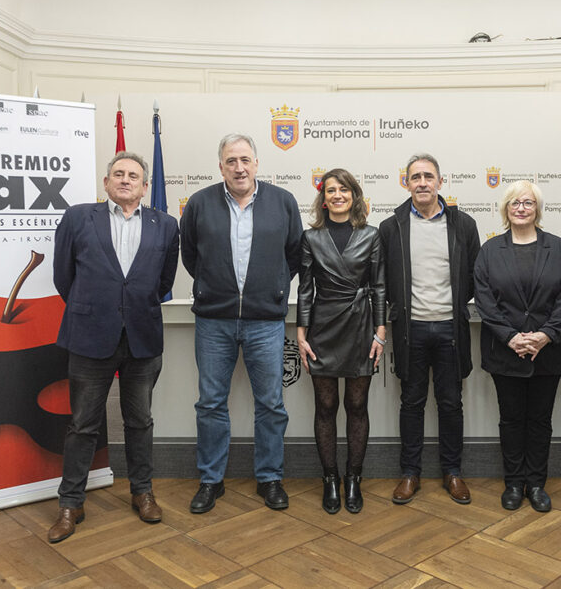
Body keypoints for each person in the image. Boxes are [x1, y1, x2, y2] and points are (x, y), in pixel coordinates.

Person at [49, 151, 180, 543]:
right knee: (83, 424)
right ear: (106, 183)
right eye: (118, 174)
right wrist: (99, 309)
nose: (125, 179)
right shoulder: (78, 218)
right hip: (90, 337)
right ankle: (71, 503)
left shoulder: (166, 225)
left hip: (142, 337)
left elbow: (163, 282)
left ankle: (142, 492)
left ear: (144, 187)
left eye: (133, 175)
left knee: (140, 421)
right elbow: (63, 278)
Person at [180, 133, 303, 513]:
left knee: (270, 403)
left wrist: (273, 289)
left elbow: (294, 254)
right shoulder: (200, 203)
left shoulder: (282, 202)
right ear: (220, 166)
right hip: (214, 322)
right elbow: (190, 255)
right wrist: (216, 289)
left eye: (245, 159)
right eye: (231, 161)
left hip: (265, 322)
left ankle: (269, 478)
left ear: (256, 164)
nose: (239, 167)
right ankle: (210, 480)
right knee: (211, 403)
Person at [379, 153, 480, 506]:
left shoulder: (463, 225)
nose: (422, 182)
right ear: (405, 182)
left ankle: (453, 472)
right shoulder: (391, 227)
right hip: (411, 331)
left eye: (428, 176)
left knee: (451, 403)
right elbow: (386, 281)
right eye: (415, 177)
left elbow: (473, 278)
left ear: (440, 181)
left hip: (452, 331)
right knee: (412, 402)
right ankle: (410, 473)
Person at [474, 180, 561, 512]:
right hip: (505, 351)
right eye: (515, 202)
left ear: (537, 209)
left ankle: (536, 483)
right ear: (506, 209)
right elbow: (485, 300)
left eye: (528, 203)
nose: (521, 208)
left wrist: (545, 334)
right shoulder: (490, 251)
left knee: (540, 419)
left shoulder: (558, 249)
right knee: (511, 419)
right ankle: (514, 483)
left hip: (549, 350)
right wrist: (511, 337)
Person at [296, 169, 386, 514]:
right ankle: (330, 479)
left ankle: (354, 479)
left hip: (362, 326)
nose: (337, 195)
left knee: (358, 406)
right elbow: (305, 289)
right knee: (326, 407)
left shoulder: (371, 234)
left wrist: (381, 331)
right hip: (323, 327)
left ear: (354, 195)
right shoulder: (311, 237)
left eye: (343, 189)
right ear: (323, 198)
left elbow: (379, 286)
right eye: (330, 190)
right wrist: (301, 333)